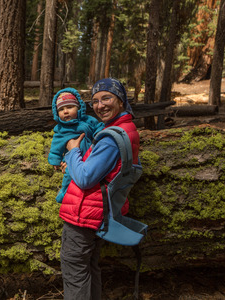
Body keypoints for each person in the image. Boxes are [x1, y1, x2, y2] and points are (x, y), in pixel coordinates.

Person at [58, 78, 140, 300]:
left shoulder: (112, 137)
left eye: (107, 98)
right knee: (89, 268)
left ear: (121, 101)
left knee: (75, 270)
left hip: (85, 216)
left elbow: (86, 178)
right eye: (95, 100)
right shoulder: (123, 128)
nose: (100, 105)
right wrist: (77, 160)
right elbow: (103, 168)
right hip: (100, 212)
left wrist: (73, 152)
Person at [48, 87, 104, 203]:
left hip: (91, 154)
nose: (66, 111)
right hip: (71, 159)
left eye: (70, 107)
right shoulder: (60, 129)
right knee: (69, 174)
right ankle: (64, 191)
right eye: (61, 109)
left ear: (78, 108)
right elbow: (56, 145)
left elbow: (98, 127)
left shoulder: (88, 120)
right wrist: (55, 159)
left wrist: (99, 134)